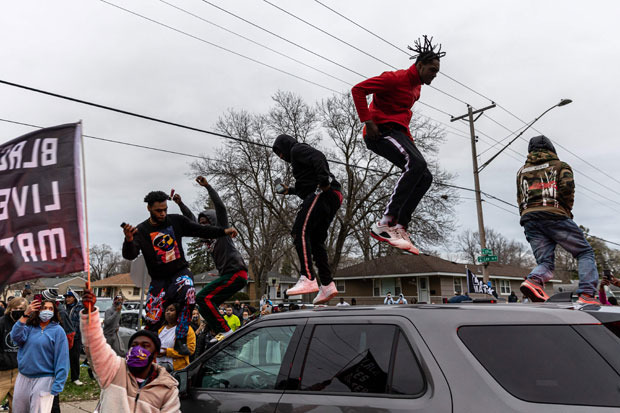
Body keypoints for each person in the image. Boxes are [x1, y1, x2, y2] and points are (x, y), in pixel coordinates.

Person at [351, 35, 445, 255]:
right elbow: (358, 90)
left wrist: (410, 142)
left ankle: (400, 227)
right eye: (432, 70)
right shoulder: (394, 78)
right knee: (416, 163)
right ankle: (385, 222)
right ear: (419, 65)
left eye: (437, 72)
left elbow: (403, 116)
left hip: (399, 132)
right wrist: (368, 121)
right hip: (380, 131)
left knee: (424, 175)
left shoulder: (417, 89)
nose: (434, 75)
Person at [122, 189, 237, 355]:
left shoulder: (175, 221)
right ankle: (149, 344)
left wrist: (223, 231)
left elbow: (200, 230)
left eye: (165, 210)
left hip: (179, 272)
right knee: (153, 315)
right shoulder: (142, 230)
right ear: (149, 209)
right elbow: (130, 254)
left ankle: (181, 338)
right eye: (158, 211)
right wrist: (128, 240)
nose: (162, 214)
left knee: (189, 292)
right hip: (159, 279)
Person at [517, 136, 600, 305]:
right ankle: (587, 294)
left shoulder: (521, 172)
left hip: (529, 218)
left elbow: (520, 197)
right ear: (551, 149)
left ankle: (533, 281)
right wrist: (566, 211)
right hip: (555, 215)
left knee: (545, 262)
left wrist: (526, 214)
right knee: (584, 252)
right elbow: (567, 190)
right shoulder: (561, 166)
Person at [79, 289, 181, 412]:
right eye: (134, 344)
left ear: (155, 354)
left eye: (145, 345)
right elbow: (94, 345)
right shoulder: (115, 371)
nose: (138, 349)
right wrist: (89, 312)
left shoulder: (167, 388)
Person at [272, 134, 344, 305]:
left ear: (285, 146)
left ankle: (308, 276)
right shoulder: (300, 164)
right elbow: (305, 187)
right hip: (330, 196)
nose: (281, 157)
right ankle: (327, 284)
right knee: (316, 240)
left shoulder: (297, 149)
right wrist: (288, 190)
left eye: (280, 152)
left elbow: (319, 156)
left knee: (299, 232)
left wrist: (324, 181)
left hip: (324, 191)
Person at [10, 299, 69, 413]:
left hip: (45, 378)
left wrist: (59, 383)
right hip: (24, 376)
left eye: (50, 309)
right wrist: (25, 315)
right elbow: (15, 337)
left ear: (54, 312)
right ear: (37, 310)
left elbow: (62, 359)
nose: (47, 311)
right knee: (18, 409)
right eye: (44, 308)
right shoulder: (29, 328)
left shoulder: (58, 331)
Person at [0, 297, 27, 411]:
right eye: (15, 308)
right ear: (10, 308)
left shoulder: (28, 324)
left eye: (21, 308)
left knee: (17, 407)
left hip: (19, 372)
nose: (18, 311)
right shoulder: (1, 322)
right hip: (2, 372)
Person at [157, 303, 195, 372]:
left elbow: (190, 350)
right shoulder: (161, 330)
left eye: (172, 310)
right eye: (166, 310)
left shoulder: (186, 329)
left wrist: (167, 352)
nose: (168, 312)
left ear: (178, 313)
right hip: (158, 367)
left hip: (176, 370)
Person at [61, 289, 84, 386]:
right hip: (64, 337)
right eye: (66, 297)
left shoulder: (80, 308)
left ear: (74, 298)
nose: (67, 299)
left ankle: (75, 377)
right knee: (62, 358)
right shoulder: (63, 308)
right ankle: (62, 377)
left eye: (69, 297)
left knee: (74, 358)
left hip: (76, 337)